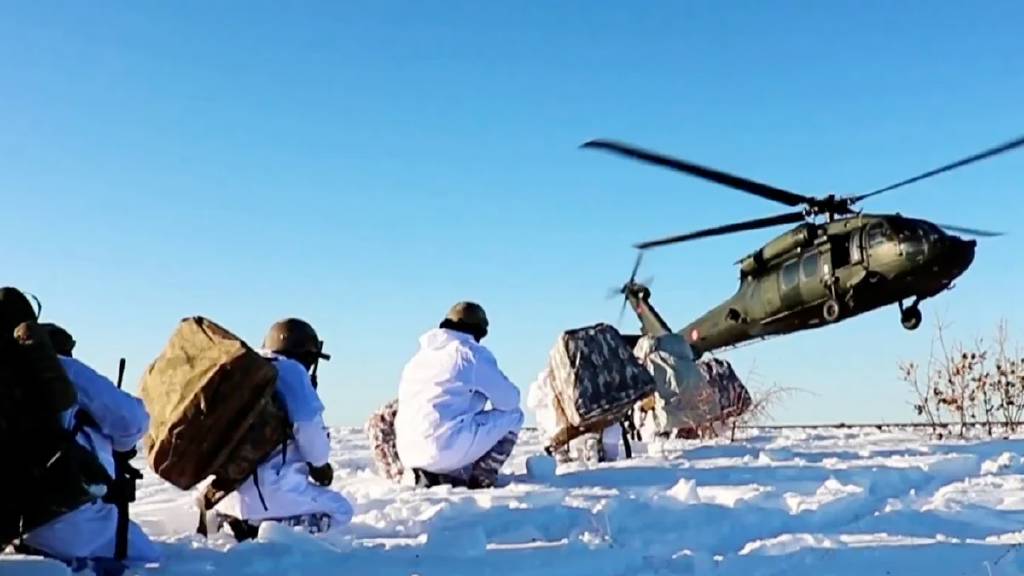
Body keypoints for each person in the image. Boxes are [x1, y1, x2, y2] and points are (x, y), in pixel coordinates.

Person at [19, 321, 160, 569]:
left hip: (17, 525)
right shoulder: (62, 370)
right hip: (72, 519)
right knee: (151, 560)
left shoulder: (10, 382)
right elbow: (131, 421)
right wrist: (118, 443)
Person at [211, 318, 353, 540]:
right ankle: (274, 532)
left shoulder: (243, 371)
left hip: (225, 493)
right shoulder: (291, 371)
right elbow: (308, 429)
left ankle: (235, 522)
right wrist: (320, 466)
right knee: (341, 510)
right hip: (272, 491)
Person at [386, 301, 524, 488]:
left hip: (409, 454)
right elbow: (510, 400)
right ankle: (481, 478)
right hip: (444, 450)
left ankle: (436, 473)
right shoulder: (470, 353)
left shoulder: (419, 357)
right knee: (514, 416)